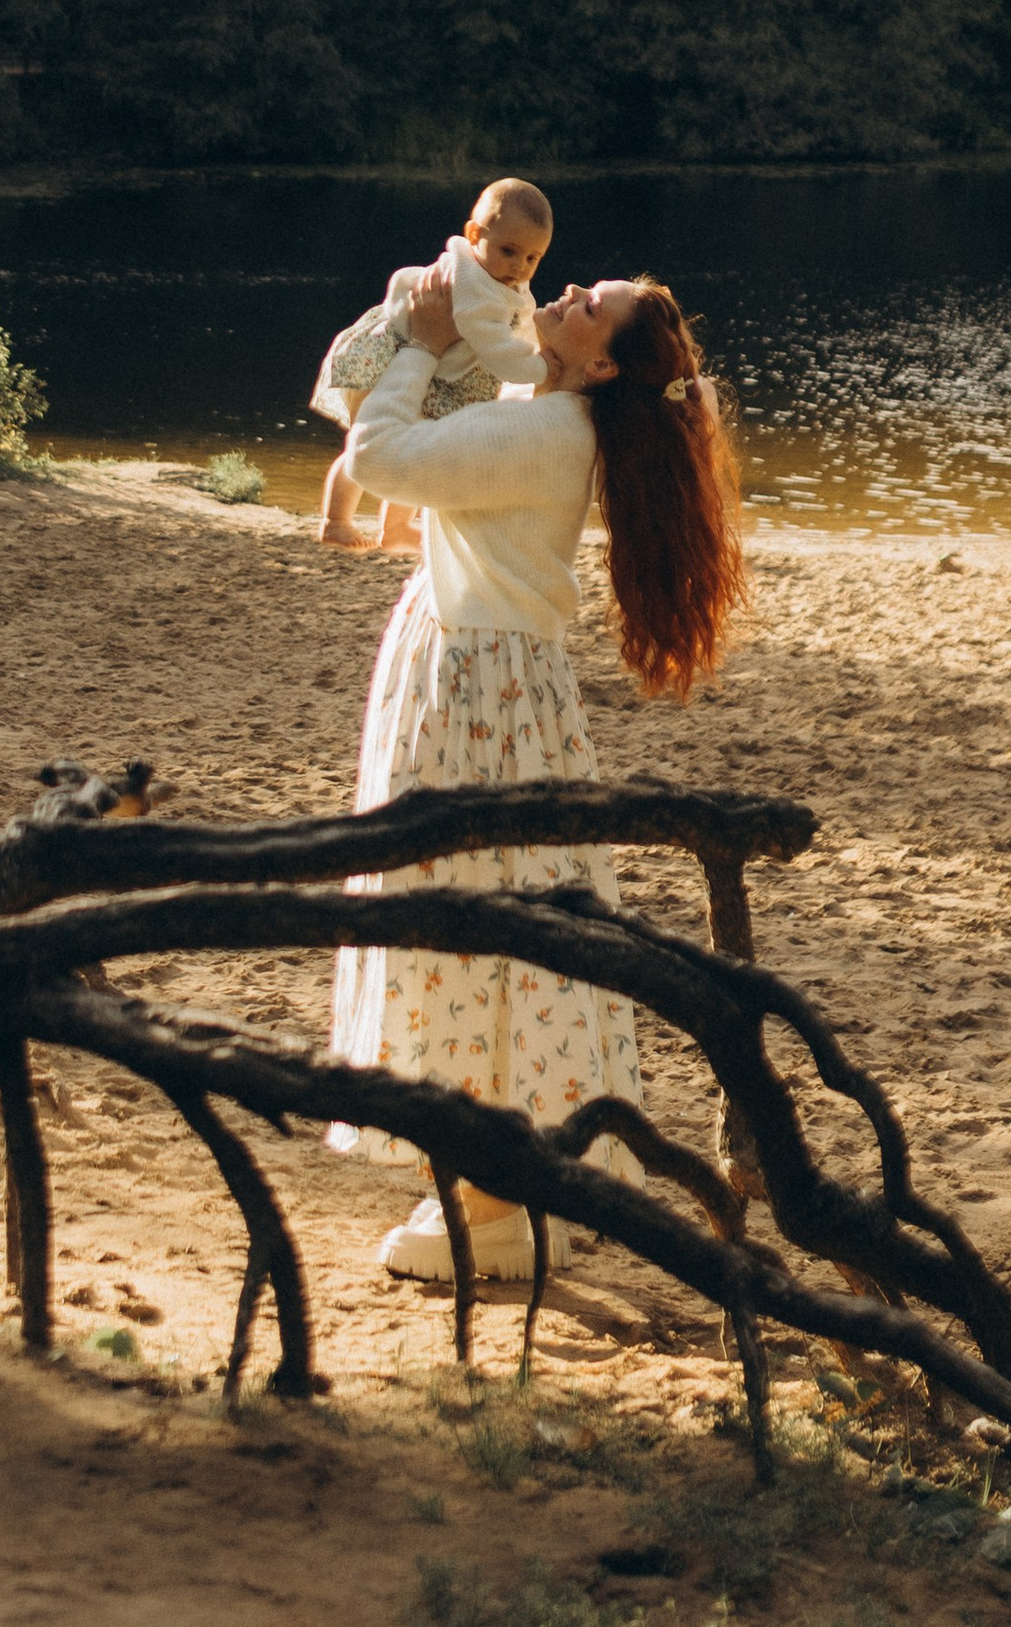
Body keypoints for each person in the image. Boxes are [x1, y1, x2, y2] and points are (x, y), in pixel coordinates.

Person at [325, 265, 746, 1286]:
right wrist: (433, 318)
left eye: (587, 304)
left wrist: (421, 348)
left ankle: (494, 1200)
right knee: (483, 918)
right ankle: (492, 1187)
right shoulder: (545, 411)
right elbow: (465, 372)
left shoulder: (546, 434)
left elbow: (378, 455)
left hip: (476, 693)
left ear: (600, 362)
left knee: (465, 920)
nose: (561, 292)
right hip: (485, 681)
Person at [312, 179, 557, 553]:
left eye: (532, 258)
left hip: (435, 376)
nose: (519, 267)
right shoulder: (472, 285)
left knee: (419, 449)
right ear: (474, 235)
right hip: (394, 362)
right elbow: (497, 350)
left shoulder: (499, 279)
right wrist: (543, 368)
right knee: (365, 443)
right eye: (508, 250)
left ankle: (396, 528)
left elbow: (518, 329)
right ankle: (336, 520)